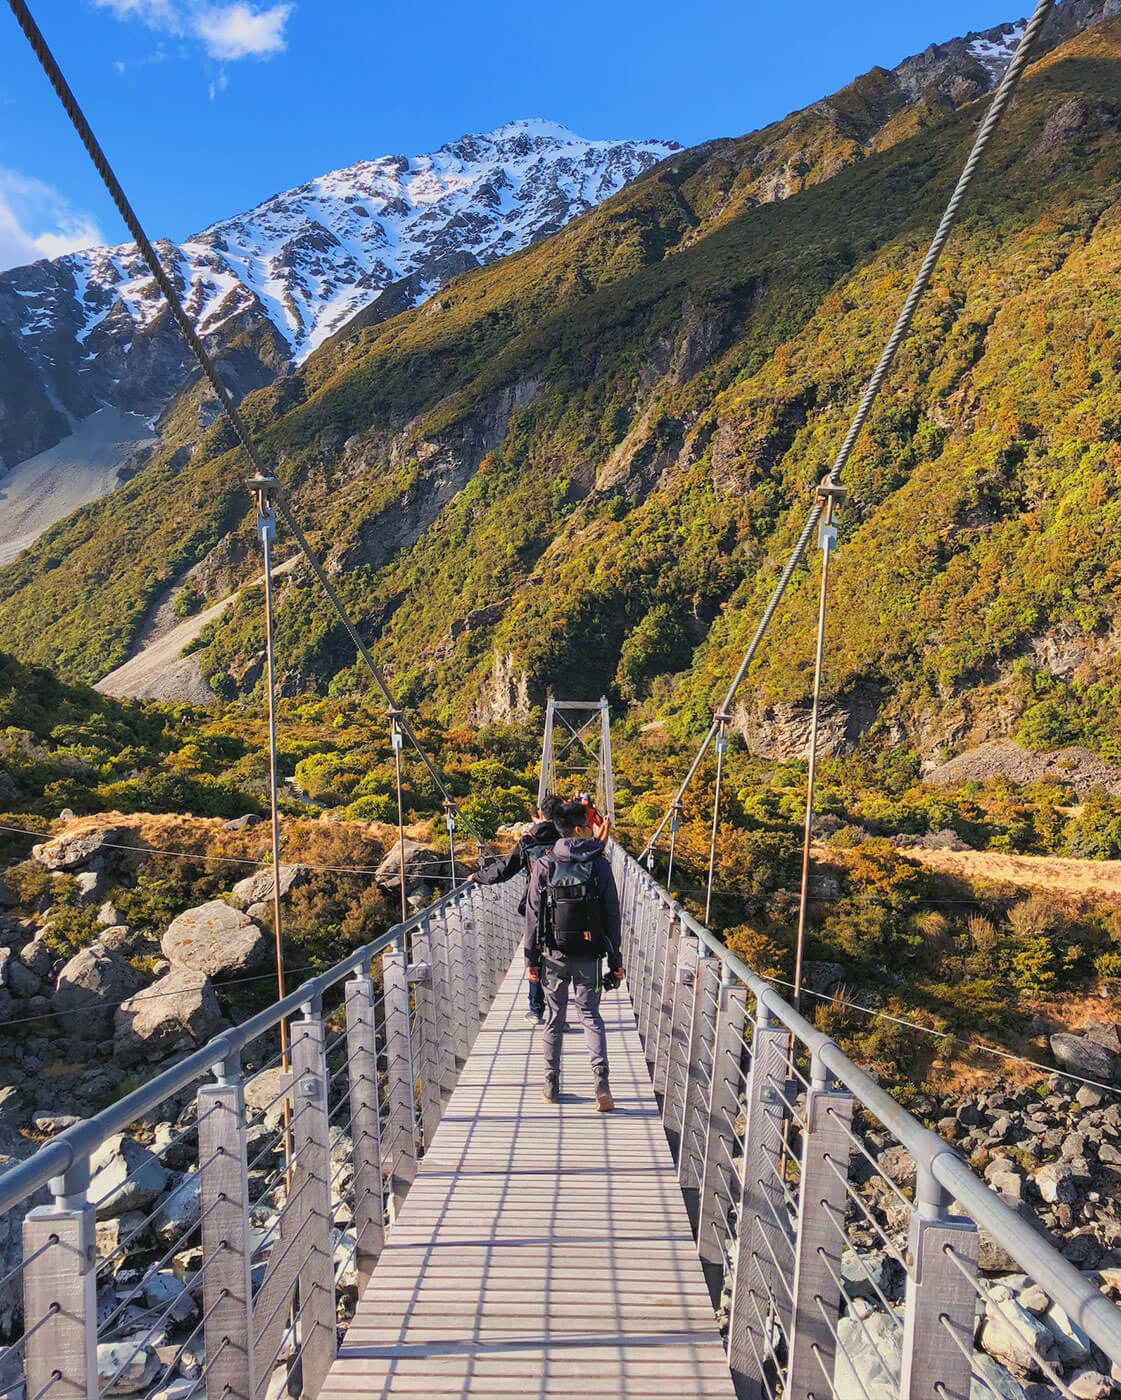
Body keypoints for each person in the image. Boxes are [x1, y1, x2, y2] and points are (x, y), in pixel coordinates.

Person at [524, 799, 623, 1112]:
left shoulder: (545, 863)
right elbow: (611, 915)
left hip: (553, 955)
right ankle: (601, 1084)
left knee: (554, 1017)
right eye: (589, 825)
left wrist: (531, 960)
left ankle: (551, 1085)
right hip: (590, 956)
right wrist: (615, 960)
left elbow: (532, 914)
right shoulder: (600, 863)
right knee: (591, 1016)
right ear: (580, 829)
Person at [468, 793, 562, 1023]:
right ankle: (558, 1011)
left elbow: (504, 870)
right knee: (560, 955)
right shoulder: (569, 839)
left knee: (535, 952)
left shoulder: (529, 841)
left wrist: (478, 877)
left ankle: (536, 1008)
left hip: (537, 905)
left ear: (540, 815)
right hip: (566, 906)